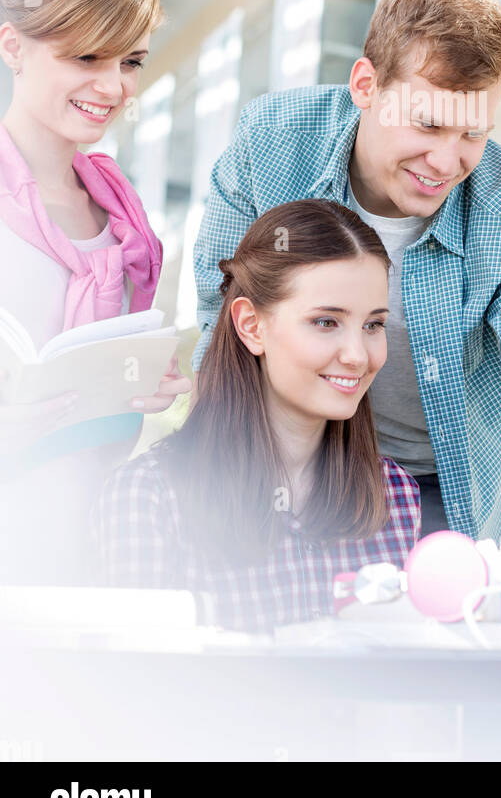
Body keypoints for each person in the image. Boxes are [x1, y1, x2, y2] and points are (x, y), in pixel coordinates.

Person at [191, 0, 501, 631]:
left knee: (493, 692)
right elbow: (223, 326)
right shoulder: (271, 147)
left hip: (451, 490)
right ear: (366, 86)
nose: (447, 161)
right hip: (297, 470)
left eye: (473, 134)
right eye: (429, 124)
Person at [94, 200, 420, 631]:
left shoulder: (396, 497)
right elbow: (139, 688)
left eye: (373, 325)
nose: (358, 356)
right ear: (251, 325)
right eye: (326, 322)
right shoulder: (148, 496)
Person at [0, 0, 190, 583]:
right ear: (12, 46)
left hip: (92, 540)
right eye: (86, 56)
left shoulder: (123, 213)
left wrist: (144, 381)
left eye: (131, 61)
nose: (112, 87)